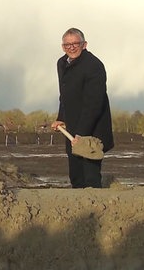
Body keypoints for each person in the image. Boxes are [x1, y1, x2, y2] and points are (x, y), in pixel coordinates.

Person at [51, 28, 114, 188]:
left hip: (92, 131)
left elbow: (94, 103)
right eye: (67, 45)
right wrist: (61, 118)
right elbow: (64, 95)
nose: (71, 47)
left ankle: (95, 210)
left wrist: (82, 133)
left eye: (75, 44)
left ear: (84, 44)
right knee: (76, 176)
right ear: (62, 46)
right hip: (72, 128)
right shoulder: (62, 63)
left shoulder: (94, 66)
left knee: (90, 178)